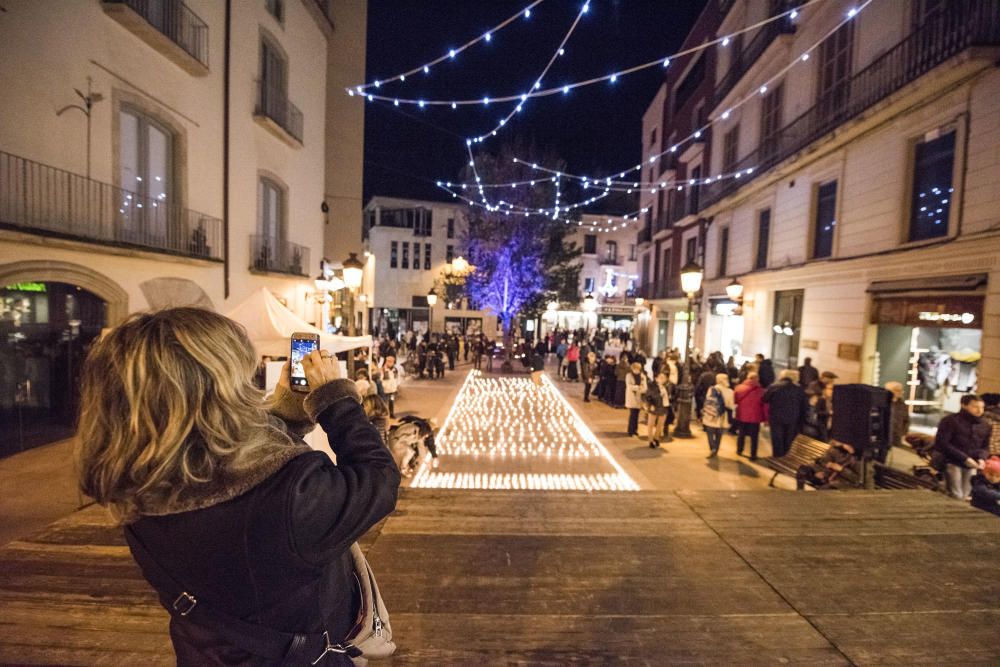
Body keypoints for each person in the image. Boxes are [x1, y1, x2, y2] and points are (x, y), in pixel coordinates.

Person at [75, 308, 399, 664]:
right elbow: (377, 479)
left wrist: (284, 416)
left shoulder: (136, 483)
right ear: (217, 393)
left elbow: (220, 462)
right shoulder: (291, 495)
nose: (248, 383)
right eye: (242, 376)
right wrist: (334, 399)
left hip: (207, 652)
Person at [934, 394, 990, 500]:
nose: (979, 410)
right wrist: (965, 458)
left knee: (965, 494)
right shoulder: (950, 420)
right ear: (964, 405)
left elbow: (985, 446)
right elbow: (942, 443)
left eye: (982, 407)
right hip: (952, 460)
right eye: (975, 407)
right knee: (956, 493)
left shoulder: (985, 424)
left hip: (972, 463)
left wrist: (982, 458)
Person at [763, 369, 808, 458]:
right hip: (792, 418)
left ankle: (777, 457)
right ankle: (785, 457)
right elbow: (804, 406)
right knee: (788, 439)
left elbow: (764, 399)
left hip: (776, 417)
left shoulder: (774, 386)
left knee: (777, 439)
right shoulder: (799, 389)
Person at [734, 372, 766, 460]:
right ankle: (753, 455)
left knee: (741, 434)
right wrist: (766, 418)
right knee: (754, 437)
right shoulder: (761, 391)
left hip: (742, 415)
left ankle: (739, 450)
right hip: (755, 417)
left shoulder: (739, 388)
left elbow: (735, 400)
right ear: (757, 379)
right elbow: (765, 405)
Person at [701, 373, 735, 458]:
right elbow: (731, 405)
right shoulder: (730, 391)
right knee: (719, 434)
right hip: (723, 415)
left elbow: (708, 401)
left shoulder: (712, 389)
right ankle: (716, 449)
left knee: (709, 431)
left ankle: (712, 447)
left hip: (712, 414)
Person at [643, 372, 672, 448]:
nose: (662, 379)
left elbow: (671, 395)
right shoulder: (652, 386)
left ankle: (656, 438)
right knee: (651, 424)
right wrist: (651, 405)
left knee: (660, 425)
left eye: (664, 378)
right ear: (656, 378)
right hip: (655, 407)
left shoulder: (667, 386)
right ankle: (650, 440)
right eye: (661, 377)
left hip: (664, 407)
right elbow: (647, 397)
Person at [625, 362, 648, 437]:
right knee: (633, 415)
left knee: (637, 415)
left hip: (639, 398)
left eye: (638, 368)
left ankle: (635, 430)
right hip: (632, 397)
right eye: (635, 368)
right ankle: (630, 431)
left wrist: (641, 389)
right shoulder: (629, 375)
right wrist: (638, 387)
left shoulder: (642, 376)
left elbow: (645, 387)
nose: (636, 370)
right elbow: (629, 386)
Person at [886, 381, 910, 452]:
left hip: (897, 436)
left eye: (901, 390)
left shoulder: (902, 404)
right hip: (885, 436)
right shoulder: (884, 403)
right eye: (898, 390)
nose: (901, 392)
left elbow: (906, 420)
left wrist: (904, 433)